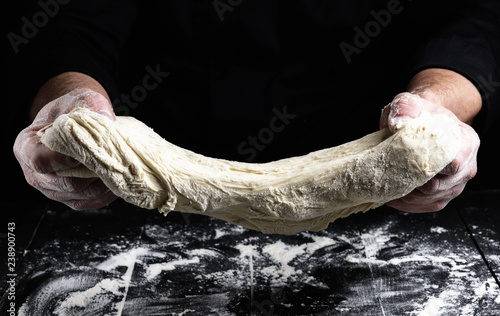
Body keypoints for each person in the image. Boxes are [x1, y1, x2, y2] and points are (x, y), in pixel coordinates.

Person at [11, 0, 500, 213]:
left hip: (375, 196)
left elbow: (473, 19)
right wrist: (70, 104)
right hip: (134, 195)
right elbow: (70, 22)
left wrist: (437, 105)